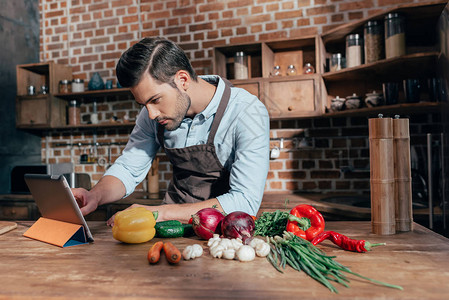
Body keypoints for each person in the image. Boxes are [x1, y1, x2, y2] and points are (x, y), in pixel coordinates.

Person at [72, 37, 270, 225]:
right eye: (143, 104)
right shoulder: (153, 114)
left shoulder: (245, 112)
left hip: (222, 234)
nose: (150, 114)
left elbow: (244, 201)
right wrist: (95, 195)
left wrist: (161, 213)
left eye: (155, 100)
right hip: (169, 228)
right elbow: (129, 169)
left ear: (182, 80)